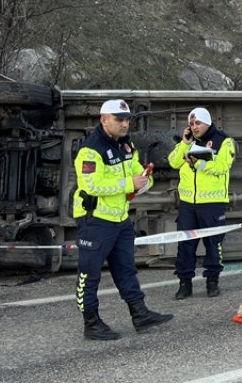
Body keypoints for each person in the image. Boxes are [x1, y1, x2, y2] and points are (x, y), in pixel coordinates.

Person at [74, 99, 173, 341]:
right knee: (89, 274)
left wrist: (144, 181)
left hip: (119, 218)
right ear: (103, 119)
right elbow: (91, 184)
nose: (124, 123)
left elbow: (136, 172)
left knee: (126, 269)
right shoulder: (90, 149)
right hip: (95, 220)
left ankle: (140, 314)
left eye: (127, 119)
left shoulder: (126, 146)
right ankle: (92, 323)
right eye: (119, 119)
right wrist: (130, 183)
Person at [168, 107, 237, 299]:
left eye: (198, 123)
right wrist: (184, 143)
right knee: (185, 245)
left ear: (207, 122)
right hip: (188, 204)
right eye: (191, 124)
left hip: (212, 203)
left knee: (214, 244)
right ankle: (184, 283)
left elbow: (222, 167)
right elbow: (173, 162)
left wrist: (196, 162)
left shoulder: (224, 141)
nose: (194, 127)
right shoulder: (188, 142)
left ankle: (212, 282)